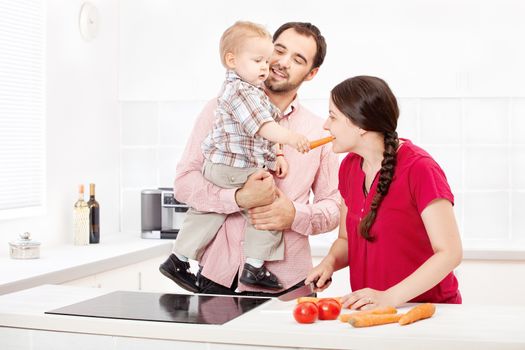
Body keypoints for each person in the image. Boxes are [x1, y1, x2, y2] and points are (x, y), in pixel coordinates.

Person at [159, 22, 340, 296]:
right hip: (216, 278)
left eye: (298, 59)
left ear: (311, 73)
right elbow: (184, 184)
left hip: (287, 284)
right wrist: (237, 199)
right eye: (278, 50)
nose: (281, 62)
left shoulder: (319, 131)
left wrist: (294, 215)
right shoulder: (219, 108)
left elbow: (334, 207)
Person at [306, 75, 463, 308]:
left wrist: (389, 297)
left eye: (333, 116)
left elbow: (450, 253)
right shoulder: (349, 166)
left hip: (428, 311)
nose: (326, 125)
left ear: (360, 125)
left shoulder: (420, 168)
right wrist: (329, 262)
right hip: (372, 311)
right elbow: (346, 239)